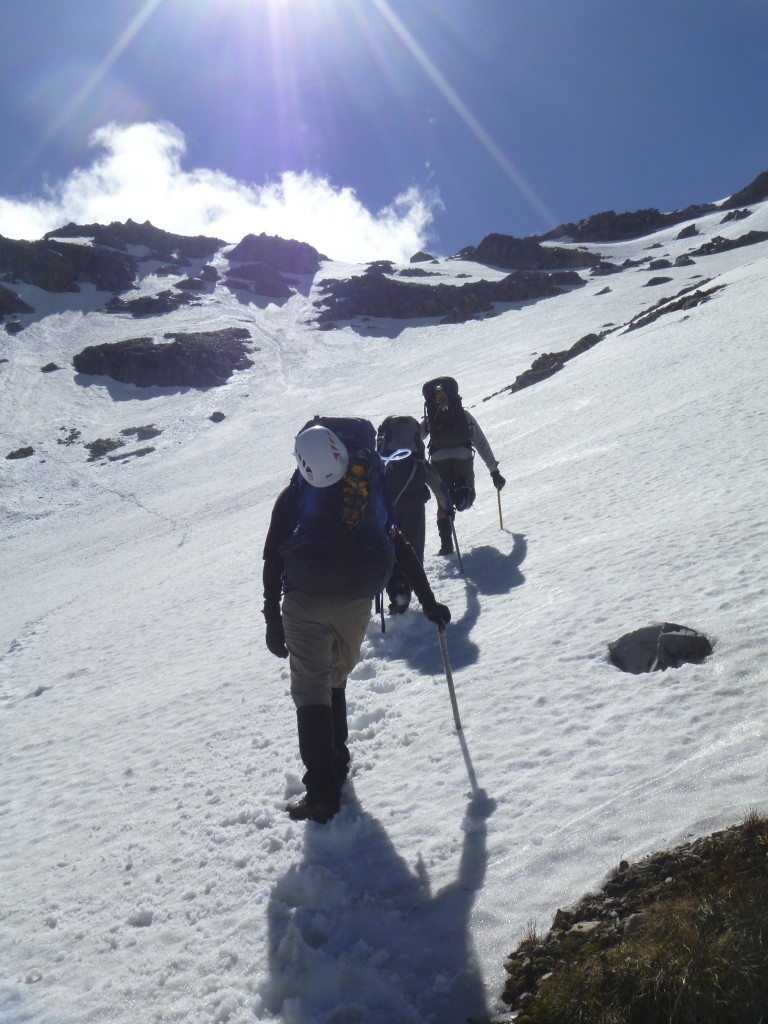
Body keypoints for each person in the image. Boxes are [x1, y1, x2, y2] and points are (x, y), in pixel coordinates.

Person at [262, 418, 451, 825]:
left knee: (311, 690)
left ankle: (322, 794)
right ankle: (338, 760)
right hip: (355, 599)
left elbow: (272, 556)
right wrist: (429, 601)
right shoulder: (368, 491)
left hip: (303, 599)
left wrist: (271, 619)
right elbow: (396, 541)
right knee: (334, 680)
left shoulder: (295, 494)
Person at [376, 414, 453, 614]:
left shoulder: (382, 458)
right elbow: (438, 485)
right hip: (415, 504)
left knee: (390, 548)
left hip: (387, 507)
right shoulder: (417, 459)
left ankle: (395, 596)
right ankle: (406, 591)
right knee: (411, 550)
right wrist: (447, 507)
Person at [421, 376, 506, 555]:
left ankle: (446, 546)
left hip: (438, 458)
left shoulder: (432, 418)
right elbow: (480, 441)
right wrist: (493, 470)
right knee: (468, 499)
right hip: (463, 455)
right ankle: (463, 494)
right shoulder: (463, 415)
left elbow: (417, 437)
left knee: (442, 502)